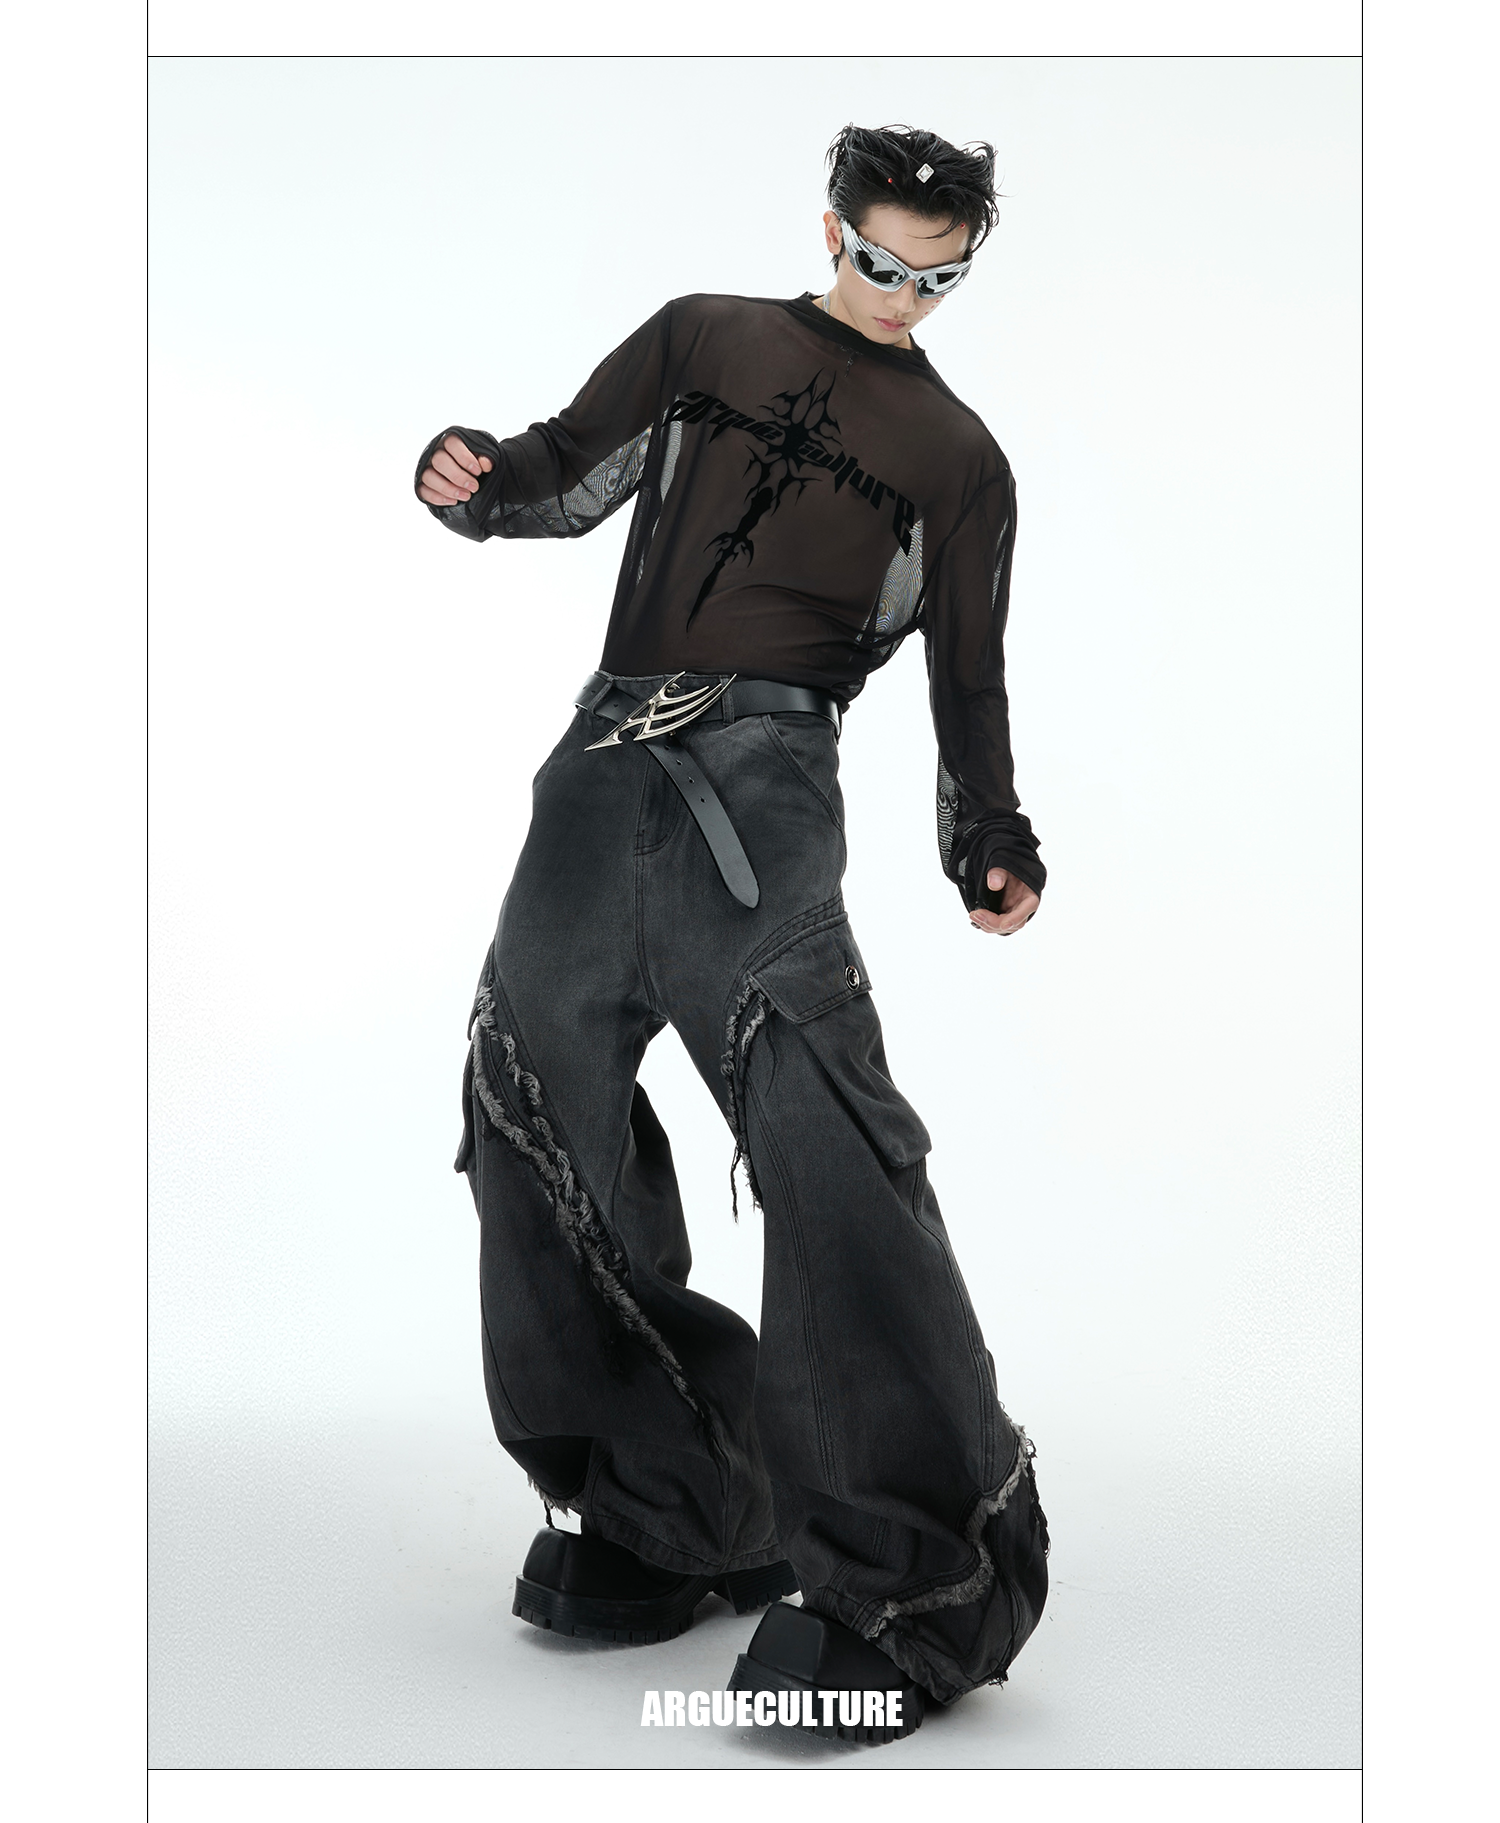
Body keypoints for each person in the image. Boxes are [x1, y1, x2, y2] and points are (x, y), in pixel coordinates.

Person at [414, 122, 1050, 1746]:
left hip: (764, 793)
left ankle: (914, 1579)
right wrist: (472, 476)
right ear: (831, 230)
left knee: (825, 1141)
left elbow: (968, 676)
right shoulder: (705, 335)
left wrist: (989, 832)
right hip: (598, 767)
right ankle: (675, 1496)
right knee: (529, 1106)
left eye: (938, 278)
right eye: (881, 261)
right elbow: (560, 470)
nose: (903, 295)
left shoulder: (960, 458)